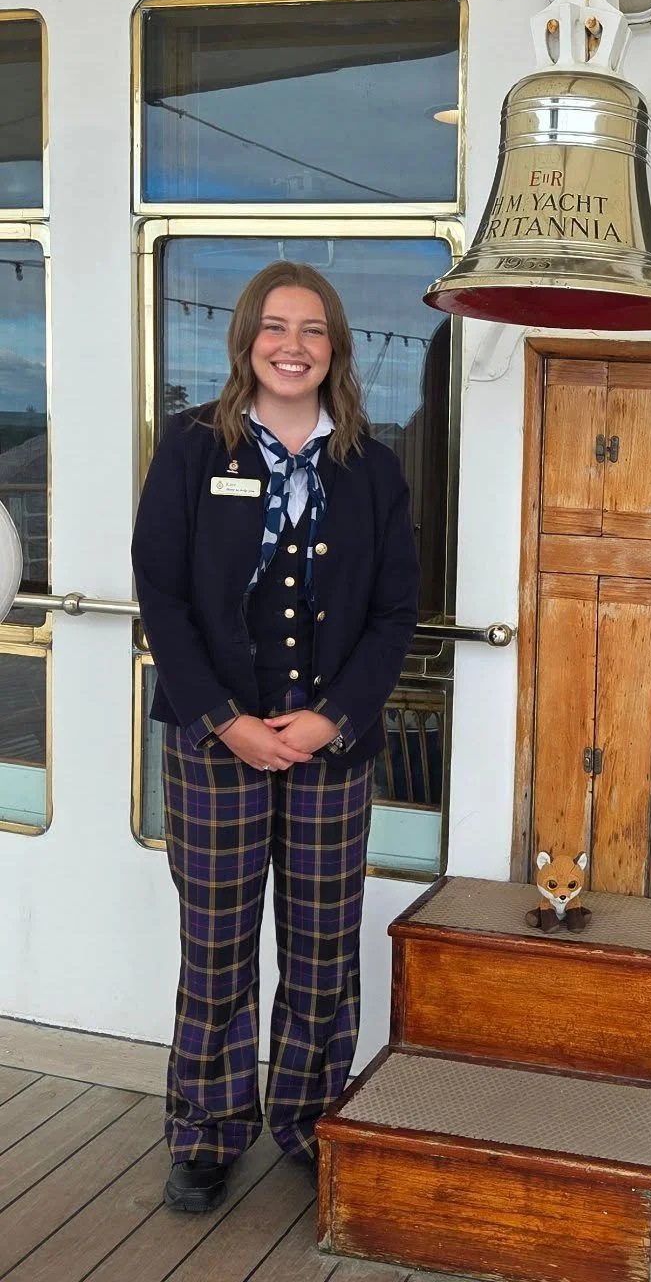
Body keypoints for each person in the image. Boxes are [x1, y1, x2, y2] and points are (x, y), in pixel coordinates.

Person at [133, 261, 419, 1213]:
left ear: (336, 348)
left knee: (322, 947)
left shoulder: (372, 468)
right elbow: (162, 597)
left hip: (332, 750)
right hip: (214, 744)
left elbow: (394, 613)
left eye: (313, 330)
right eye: (275, 326)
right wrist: (225, 719)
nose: (292, 346)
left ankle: (309, 1118)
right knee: (216, 946)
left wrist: (334, 716)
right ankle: (206, 1131)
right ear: (245, 338)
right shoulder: (191, 448)